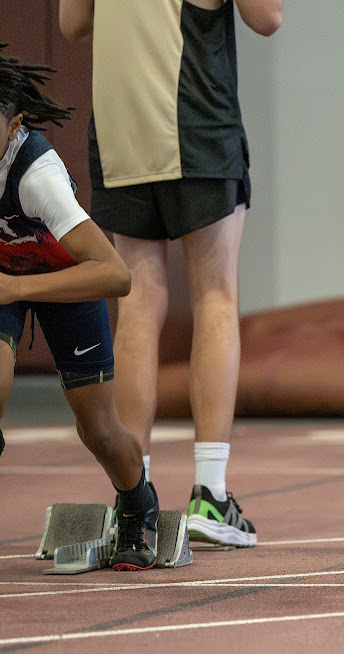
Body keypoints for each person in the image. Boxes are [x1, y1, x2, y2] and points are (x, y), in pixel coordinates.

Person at [58, 0, 283, 548]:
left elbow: (72, 24)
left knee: (137, 303)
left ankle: (132, 495)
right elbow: (267, 18)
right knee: (215, 296)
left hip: (122, 127)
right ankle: (211, 493)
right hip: (196, 115)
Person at [0, 47, 159, 571]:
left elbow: (117, 275)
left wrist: (17, 288)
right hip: (4, 280)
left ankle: (137, 503)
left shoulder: (36, 177)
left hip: (64, 281)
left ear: (15, 125)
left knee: (99, 431)